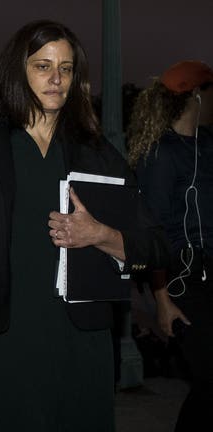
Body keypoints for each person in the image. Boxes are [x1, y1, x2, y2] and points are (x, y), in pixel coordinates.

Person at [0, 20, 169, 431]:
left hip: (83, 346)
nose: (56, 78)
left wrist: (101, 235)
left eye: (66, 68)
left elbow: (157, 246)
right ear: (18, 71)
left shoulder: (96, 152)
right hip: (1, 341)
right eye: (43, 66)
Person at [127, 60, 213, 432]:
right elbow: (154, 232)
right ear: (196, 95)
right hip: (183, 281)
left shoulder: (208, 145)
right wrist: (162, 300)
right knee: (208, 378)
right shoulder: (161, 153)